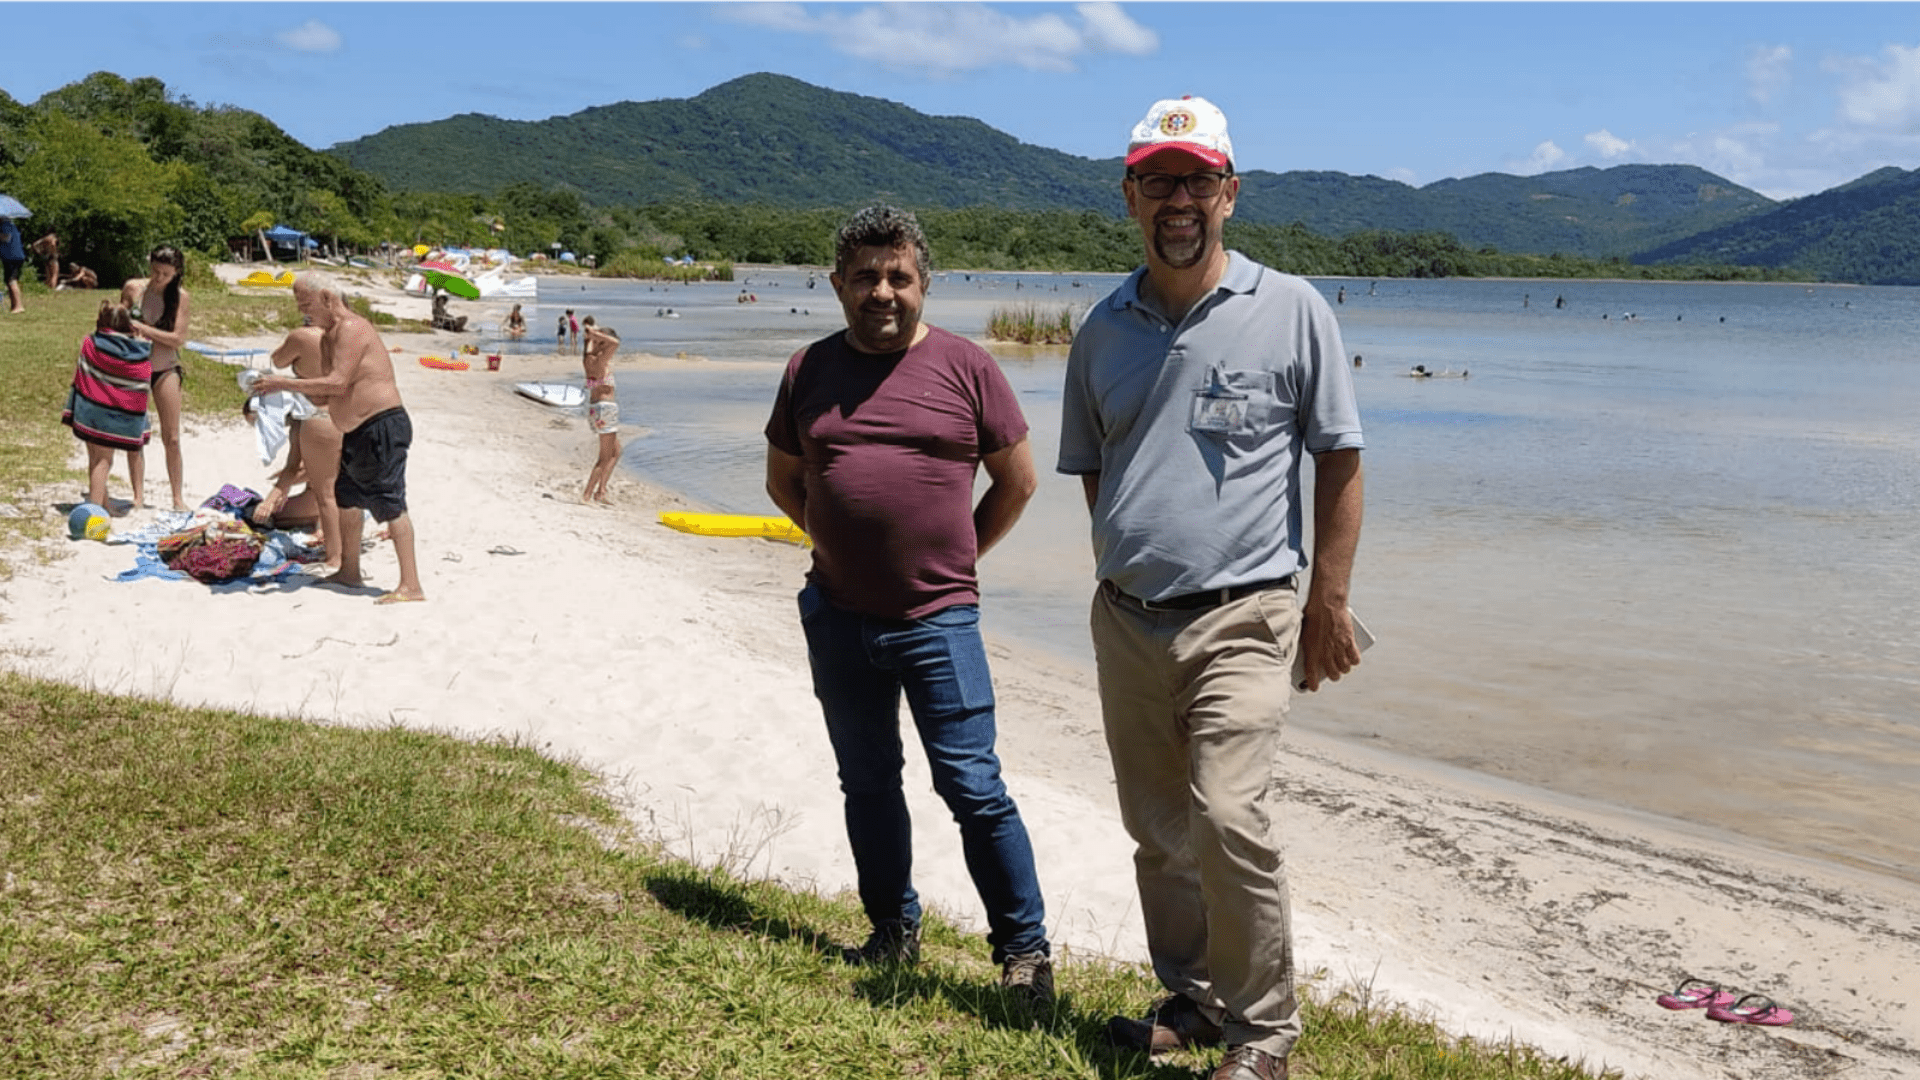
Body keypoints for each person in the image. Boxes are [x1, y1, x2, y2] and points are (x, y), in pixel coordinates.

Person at [1057, 96, 1365, 1080]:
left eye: (1197, 180)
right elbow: (1098, 468)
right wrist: (1126, 555)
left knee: (1229, 818)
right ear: (1129, 196)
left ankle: (1264, 1036)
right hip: (1128, 618)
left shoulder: (1295, 310)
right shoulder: (1102, 329)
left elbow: (1340, 460)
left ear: (1230, 194)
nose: (1178, 199)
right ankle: (1190, 999)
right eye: (1159, 180)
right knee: (1157, 832)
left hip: (1247, 612)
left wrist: (1327, 603)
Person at [763, 205, 1054, 1003]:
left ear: (925, 284)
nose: (882, 291)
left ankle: (1024, 953)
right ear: (837, 285)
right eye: (865, 276)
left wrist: (954, 562)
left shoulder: (968, 367)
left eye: (899, 276)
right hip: (838, 616)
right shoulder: (807, 369)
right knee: (867, 781)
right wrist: (835, 543)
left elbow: (1019, 481)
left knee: (972, 785)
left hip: (940, 623)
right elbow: (783, 481)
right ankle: (892, 930)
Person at [253, 276, 425, 604]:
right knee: (346, 499)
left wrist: (285, 384)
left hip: (382, 426)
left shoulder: (352, 329)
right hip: (355, 430)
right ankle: (349, 570)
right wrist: (279, 399)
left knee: (390, 503)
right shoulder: (329, 338)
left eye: (306, 305)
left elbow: (337, 382)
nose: (303, 312)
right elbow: (326, 394)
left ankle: (411, 585)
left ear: (328, 298)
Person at [261, 324, 343, 570]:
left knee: (275, 516)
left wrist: (275, 493)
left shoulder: (304, 337)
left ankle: (333, 554)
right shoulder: (346, 338)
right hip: (351, 488)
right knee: (326, 486)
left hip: (321, 425)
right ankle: (329, 536)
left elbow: (277, 359)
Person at [62, 301, 152, 509]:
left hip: (90, 409)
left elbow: (83, 370)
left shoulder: (90, 343)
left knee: (95, 460)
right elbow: (141, 380)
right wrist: (138, 339)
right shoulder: (139, 352)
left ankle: (103, 504)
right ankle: (95, 513)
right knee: (104, 462)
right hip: (115, 415)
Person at [129, 246, 193, 510]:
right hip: (135, 366)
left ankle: (177, 498)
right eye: (155, 271)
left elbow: (178, 338)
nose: (158, 277)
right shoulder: (134, 288)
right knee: (134, 434)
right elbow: (117, 320)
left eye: (165, 274)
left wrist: (143, 328)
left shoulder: (180, 297)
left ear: (176, 273)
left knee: (172, 437)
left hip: (165, 367)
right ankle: (137, 496)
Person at [579, 316, 621, 505]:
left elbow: (607, 343)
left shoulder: (588, 358)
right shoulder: (600, 359)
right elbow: (615, 343)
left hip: (597, 410)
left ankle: (601, 491)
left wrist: (591, 337)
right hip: (605, 409)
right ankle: (588, 495)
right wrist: (597, 334)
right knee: (604, 457)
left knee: (616, 451)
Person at [1, 216, 25, 314]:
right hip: (14, 256)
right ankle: (14, 305)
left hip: (11, 257)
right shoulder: (12, 225)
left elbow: (6, 237)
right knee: (9, 280)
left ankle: (18, 306)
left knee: (12, 281)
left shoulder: (5, 225)